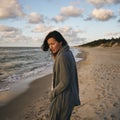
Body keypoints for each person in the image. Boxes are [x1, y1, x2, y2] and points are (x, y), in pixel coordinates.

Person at [41, 30, 80, 120]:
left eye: (53, 43)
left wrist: (52, 93)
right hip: (68, 96)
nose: (51, 47)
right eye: (49, 44)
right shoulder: (68, 53)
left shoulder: (62, 56)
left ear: (60, 42)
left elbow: (65, 82)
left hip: (63, 98)